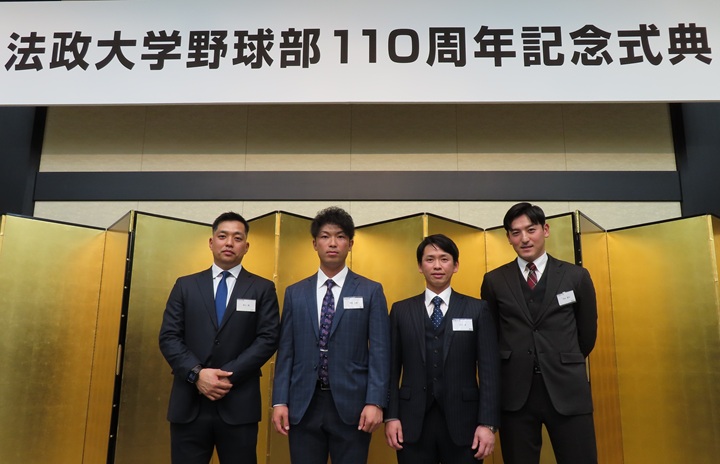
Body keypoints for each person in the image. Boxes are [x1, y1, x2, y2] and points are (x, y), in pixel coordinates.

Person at [271, 206, 390, 464]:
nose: (332, 243)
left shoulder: (371, 291)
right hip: (303, 403)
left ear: (351, 244)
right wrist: (279, 401)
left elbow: (380, 352)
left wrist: (376, 402)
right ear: (314, 243)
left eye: (340, 236)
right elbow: (286, 351)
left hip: (353, 405)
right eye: (325, 236)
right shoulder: (295, 293)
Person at [480, 203, 598, 464]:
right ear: (508, 238)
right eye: (516, 233)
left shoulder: (576, 276)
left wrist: (562, 358)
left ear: (545, 230)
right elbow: (492, 336)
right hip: (516, 393)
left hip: (568, 388)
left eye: (531, 230)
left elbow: (587, 334)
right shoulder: (494, 281)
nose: (524, 238)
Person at [159, 212, 280, 464]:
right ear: (211, 242)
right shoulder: (185, 285)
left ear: (246, 246)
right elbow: (169, 336)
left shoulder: (262, 288)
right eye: (223, 236)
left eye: (237, 238)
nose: (229, 243)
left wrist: (226, 376)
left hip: (238, 403)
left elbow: (268, 338)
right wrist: (197, 374)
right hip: (189, 402)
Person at [385, 234, 501, 464]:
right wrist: (391, 416)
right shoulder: (401, 311)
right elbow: (390, 368)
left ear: (455, 265)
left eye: (444, 259)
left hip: (465, 422)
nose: (437, 265)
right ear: (420, 266)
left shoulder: (477, 310)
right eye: (430, 259)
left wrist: (487, 423)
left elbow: (489, 371)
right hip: (411, 422)